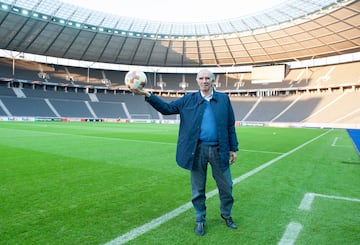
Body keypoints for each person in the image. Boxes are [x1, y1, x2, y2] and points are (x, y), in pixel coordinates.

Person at [131, 69, 238, 236]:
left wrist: (233, 148)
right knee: (198, 189)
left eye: (207, 78)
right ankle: (200, 219)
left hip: (220, 149)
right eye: (201, 78)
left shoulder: (224, 99)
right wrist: (148, 94)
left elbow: (230, 124)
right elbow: (167, 109)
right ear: (197, 81)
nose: (204, 81)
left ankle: (227, 215)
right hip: (197, 151)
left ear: (213, 80)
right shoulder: (189, 99)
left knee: (226, 187)